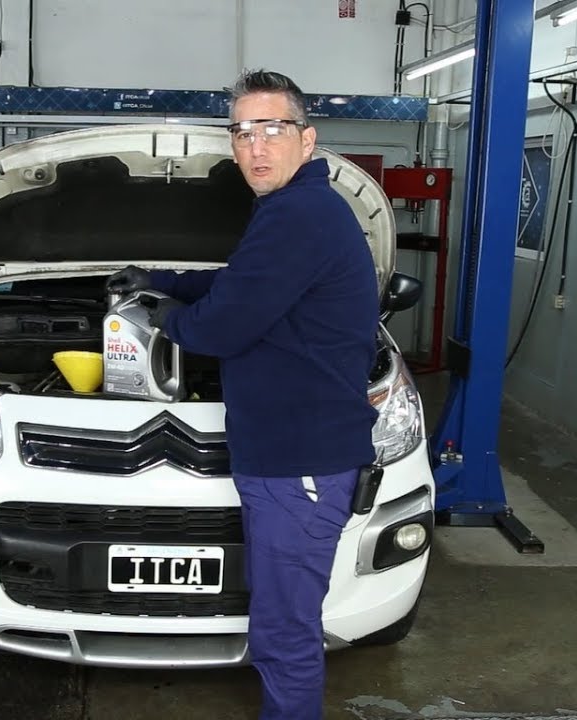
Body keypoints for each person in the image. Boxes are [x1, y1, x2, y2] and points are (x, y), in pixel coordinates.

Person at [106, 69, 380, 720]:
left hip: (300, 464)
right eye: (242, 132)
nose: (255, 146)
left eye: (273, 129)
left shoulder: (300, 214)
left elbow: (222, 326)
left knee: (285, 633)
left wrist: (154, 316)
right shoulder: (293, 210)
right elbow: (243, 284)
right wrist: (160, 277)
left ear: (306, 139)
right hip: (286, 457)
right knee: (281, 622)